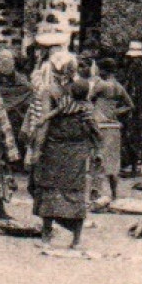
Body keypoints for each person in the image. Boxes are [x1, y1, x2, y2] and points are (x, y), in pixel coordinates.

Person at [32, 78, 102, 250]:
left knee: (50, 190)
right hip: (76, 156)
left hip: (54, 153)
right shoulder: (88, 110)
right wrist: (96, 150)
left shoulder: (64, 104)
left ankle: (46, 238)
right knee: (75, 192)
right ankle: (76, 239)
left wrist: (40, 129)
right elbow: (96, 133)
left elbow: (50, 116)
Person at [87, 58, 134, 203]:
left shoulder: (100, 85)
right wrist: (115, 112)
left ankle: (95, 194)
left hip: (100, 125)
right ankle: (114, 194)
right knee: (113, 162)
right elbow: (130, 105)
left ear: (104, 70)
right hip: (114, 127)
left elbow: (88, 99)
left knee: (98, 159)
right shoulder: (118, 86)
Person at [117, 41, 142, 171]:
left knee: (133, 134)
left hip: (136, 107)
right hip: (139, 106)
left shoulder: (136, 68)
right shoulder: (141, 68)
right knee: (137, 133)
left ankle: (133, 163)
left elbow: (135, 91)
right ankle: (135, 163)